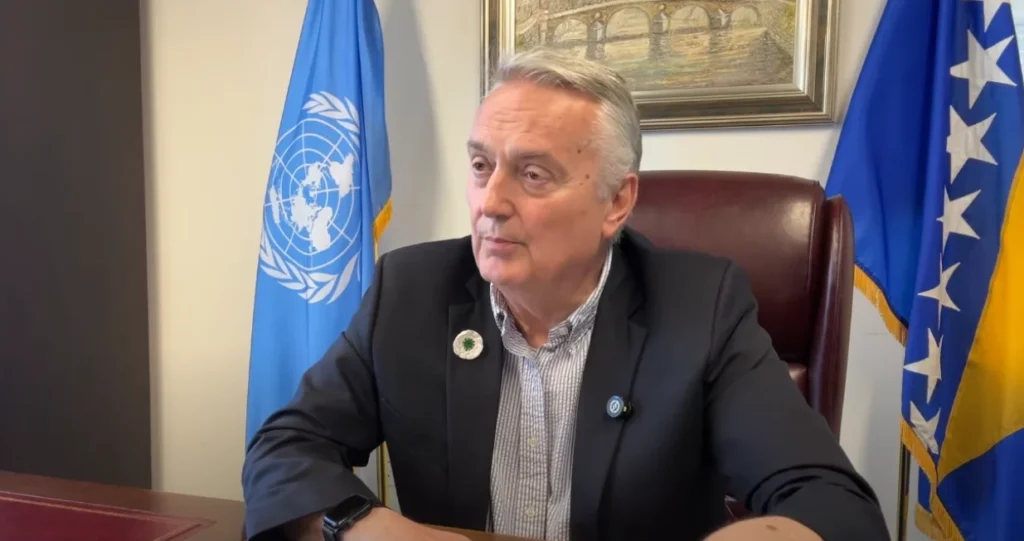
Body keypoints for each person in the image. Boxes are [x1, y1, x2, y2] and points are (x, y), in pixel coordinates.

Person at [241, 49, 889, 541]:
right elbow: (284, 448)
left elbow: (832, 500)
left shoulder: (700, 307)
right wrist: (358, 525)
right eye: (480, 165)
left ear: (617, 201)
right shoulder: (411, 292)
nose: (491, 202)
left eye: (532, 174)